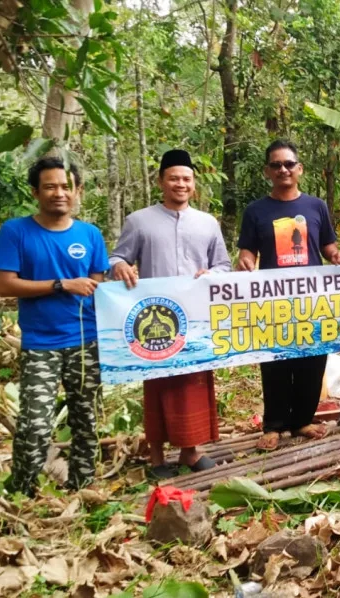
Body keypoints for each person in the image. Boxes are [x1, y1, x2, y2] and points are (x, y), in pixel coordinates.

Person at [109, 149, 232, 478]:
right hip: (155, 317)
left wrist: (213, 276)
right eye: (174, 178)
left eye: (186, 179)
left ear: (194, 184)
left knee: (194, 380)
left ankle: (190, 452)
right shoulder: (139, 221)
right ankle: (158, 458)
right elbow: (115, 260)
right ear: (161, 181)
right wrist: (120, 265)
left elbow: (223, 265)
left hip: (195, 318)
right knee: (158, 384)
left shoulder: (207, 223)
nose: (180, 184)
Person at [0, 158, 109, 496]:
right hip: (40, 344)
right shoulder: (15, 231)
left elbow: (96, 285)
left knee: (86, 421)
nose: (59, 193)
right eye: (50, 186)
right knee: (34, 425)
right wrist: (61, 284)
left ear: (76, 191)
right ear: (36, 192)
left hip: (86, 341)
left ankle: (82, 488)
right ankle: (22, 493)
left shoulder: (90, 234)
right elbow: (5, 285)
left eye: (65, 186)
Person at [237, 140, 340, 450]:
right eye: (276, 165)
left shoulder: (316, 207)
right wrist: (245, 261)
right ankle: (274, 424)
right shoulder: (255, 211)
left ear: (299, 169)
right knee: (274, 361)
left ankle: (303, 419)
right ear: (267, 172)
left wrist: (337, 256)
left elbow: (327, 246)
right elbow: (247, 250)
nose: (283, 169)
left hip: (311, 299)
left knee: (312, 359)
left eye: (289, 164)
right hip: (272, 301)